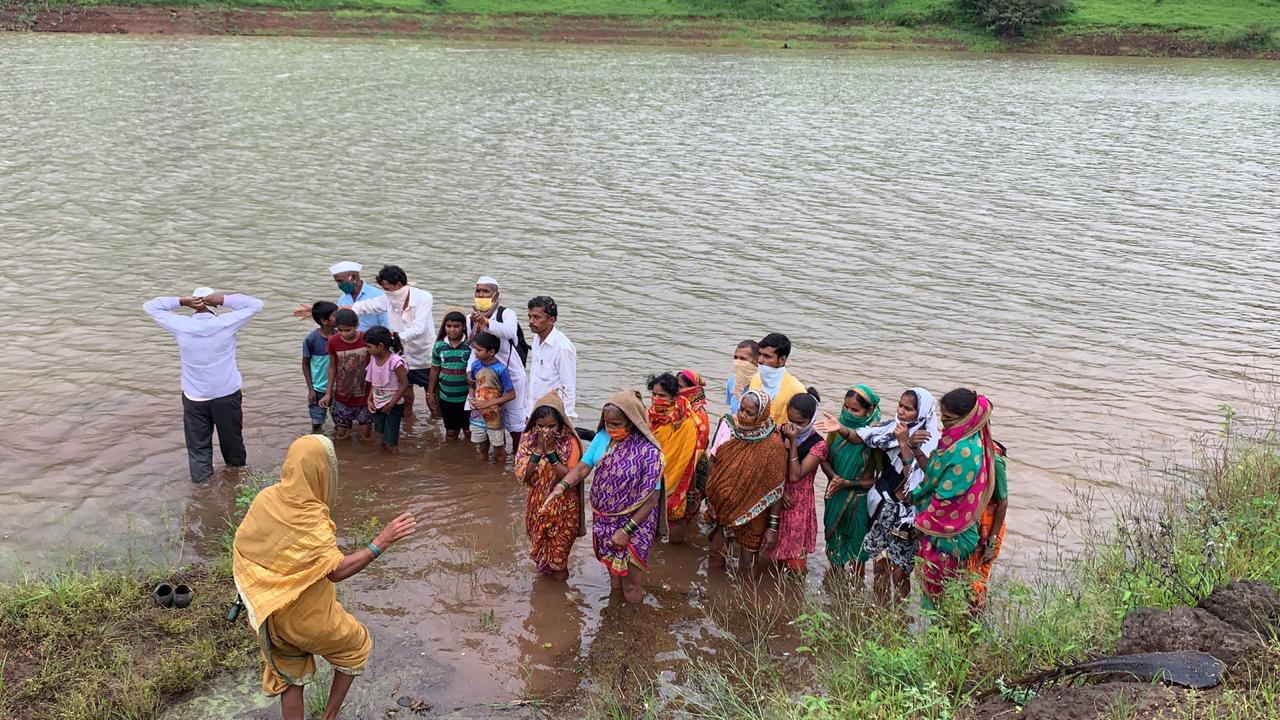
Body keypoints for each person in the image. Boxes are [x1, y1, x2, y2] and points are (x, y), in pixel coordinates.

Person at [232, 434, 416, 720]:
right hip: (307, 619)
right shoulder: (312, 516)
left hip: (268, 614)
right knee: (357, 646)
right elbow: (336, 571)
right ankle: (328, 717)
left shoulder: (265, 499)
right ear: (321, 472)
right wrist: (381, 541)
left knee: (291, 676)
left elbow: (243, 547)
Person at [817, 387, 940, 605]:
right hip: (882, 504)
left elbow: (920, 478)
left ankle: (900, 612)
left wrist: (906, 444)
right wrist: (841, 429)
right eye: (900, 405)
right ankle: (880, 607)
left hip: (905, 513)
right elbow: (864, 437)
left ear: (922, 413)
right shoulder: (890, 427)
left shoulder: (929, 439)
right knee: (879, 561)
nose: (901, 411)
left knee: (901, 567)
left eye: (908, 409)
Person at [541, 390, 665, 604]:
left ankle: (635, 625)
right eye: (607, 423)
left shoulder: (649, 452)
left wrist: (626, 531)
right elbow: (582, 468)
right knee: (614, 575)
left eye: (616, 424)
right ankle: (614, 613)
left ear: (633, 421)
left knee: (631, 582)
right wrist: (560, 487)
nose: (610, 428)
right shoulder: (602, 438)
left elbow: (653, 498)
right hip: (605, 519)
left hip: (636, 523)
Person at [143, 287, 264, 484]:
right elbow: (256, 304)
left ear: (193, 306)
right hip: (226, 394)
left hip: (194, 397)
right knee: (232, 443)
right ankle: (237, 483)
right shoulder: (226, 322)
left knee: (198, 448)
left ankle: (203, 489)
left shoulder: (180, 324)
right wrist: (224, 299)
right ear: (213, 305)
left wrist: (182, 301)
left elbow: (150, 306)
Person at [908, 388, 996, 610]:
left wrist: (919, 523)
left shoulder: (962, 451)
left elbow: (944, 498)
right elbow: (937, 477)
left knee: (942, 596)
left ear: (965, 418)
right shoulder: (964, 440)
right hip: (958, 530)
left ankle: (941, 638)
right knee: (954, 593)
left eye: (948, 419)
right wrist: (914, 448)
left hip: (949, 534)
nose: (943, 425)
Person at [703, 389, 788, 578]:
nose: (743, 415)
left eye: (749, 413)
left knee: (747, 564)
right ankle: (712, 593)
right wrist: (710, 498)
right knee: (715, 552)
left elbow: (776, 488)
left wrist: (772, 527)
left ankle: (745, 603)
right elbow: (713, 462)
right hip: (721, 506)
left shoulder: (773, 444)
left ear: (762, 414)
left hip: (753, 512)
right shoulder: (729, 425)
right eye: (741, 409)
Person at [514, 393, 584, 580]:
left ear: (560, 424)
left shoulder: (569, 442)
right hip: (537, 506)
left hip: (564, 508)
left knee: (559, 561)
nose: (546, 431)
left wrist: (551, 452)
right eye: (541, 426)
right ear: (534, 425)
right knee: (542, 556)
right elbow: (524, 478)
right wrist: (538, 451)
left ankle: (561, 597)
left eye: (551, 426)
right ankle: (546, 600)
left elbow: (570, 478)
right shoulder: (528, 440)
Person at [347, 266, 434, 415]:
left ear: (398, 285)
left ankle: (437, 428)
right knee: (406, 396)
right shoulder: (387, 298)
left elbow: (418, 328)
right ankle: (408, 427)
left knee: (432, 397)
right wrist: (329, 311)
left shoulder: (424, 297)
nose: (385, 292)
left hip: (424, 355)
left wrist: (395, 338)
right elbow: (362, 307)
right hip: (402, 357)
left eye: (387, 288)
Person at [821, 385, 882, 581]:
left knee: (857, 553)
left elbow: (878, 480)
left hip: (860, 500)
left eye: (854, 409)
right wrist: (835, 478)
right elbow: (824, 459)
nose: (848, 412)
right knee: (834, 545)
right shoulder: (835, 428)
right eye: (846, 407)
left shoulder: (876, 436)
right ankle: (834, 588)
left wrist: (847, 483)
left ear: (869, 411)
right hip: (835, 493)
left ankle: (855, 590)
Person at [467, 276, 528, 450]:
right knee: (485, 418)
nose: (481, 294)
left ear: (496, 294)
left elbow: (509, 331)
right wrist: (469, 372)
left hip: (511, 374)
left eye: (485, 291)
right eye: (478, 290)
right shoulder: (470, 317)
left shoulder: (506, 314)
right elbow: (473, 348)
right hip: (485, 376)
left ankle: (518, 458)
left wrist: (485, 322)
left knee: (516, 422)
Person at [770, 391, 827, 573]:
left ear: (811, 420)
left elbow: (796, 475)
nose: (793, 426)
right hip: (777, 497)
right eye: (790, 420)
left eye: (800, 423)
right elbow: (768, 466)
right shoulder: (779, 431)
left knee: (795, 560)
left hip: (798, 503)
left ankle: (795, 593)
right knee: (772, 550)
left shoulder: (819, 444)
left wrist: (793, 442)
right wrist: (780, 491)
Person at [647, 372, 707, 544]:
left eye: (662, 396)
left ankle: (675, 550)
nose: (657, 399)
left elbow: (689, 455)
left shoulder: (686, 422)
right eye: (654, 394)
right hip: (651, 473)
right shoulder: (650, 414)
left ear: (674, 396)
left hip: (675, 474)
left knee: (674, 513)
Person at [967, 440, 1009, 610]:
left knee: (976, 579)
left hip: (986, 526)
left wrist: (991, 539)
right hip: (969, 523)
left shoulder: (993, 460)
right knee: (965, 579)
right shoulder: (961, 450)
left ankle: (974, 622)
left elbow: (1002, 502)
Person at [321, 309, 372, 442]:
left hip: (365, 395)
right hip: (343, 395)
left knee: (366, 434)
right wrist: (327, 393)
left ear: (356, 325)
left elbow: (375, 366)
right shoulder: (333, 341)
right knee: (342, 433)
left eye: (348, 330)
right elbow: (332, 367)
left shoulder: (366, 339)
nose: (344, 334)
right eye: (340, 330)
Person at [524, 296, 577, 421]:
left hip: (552, 417)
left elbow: (568, 387)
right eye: (530, 316)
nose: (531, 321)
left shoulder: (563, 347)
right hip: (532, 411)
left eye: (537, 317)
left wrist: (567, 420)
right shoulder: (537, 339)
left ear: (551, 320)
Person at [468, 331, 517, 458]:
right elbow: (472, 384)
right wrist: (471, 398)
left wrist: (488, 403)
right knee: (482, 447)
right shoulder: (475, 365)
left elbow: (511, 395)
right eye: (475, 348)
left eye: (479, 350)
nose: (475, 352)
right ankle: (485, 476)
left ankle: (498, 475)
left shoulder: (501, 369)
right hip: (478, 414)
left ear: (491, 352)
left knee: (498, 449)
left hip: (494, 416)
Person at [364, 326, 409, 453]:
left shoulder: (395, 362)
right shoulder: (374, 358)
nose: (367, 349)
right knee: (380, 437)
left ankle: (394, 464)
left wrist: (391, 404)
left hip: (393, 406)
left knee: (391, 441)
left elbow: (405, 384)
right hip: (378, 403)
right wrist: (369, 399)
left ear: (380, 346)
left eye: (369, 346)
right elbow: (374, 380)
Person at [428, 310, 470, 440]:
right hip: (446, 397)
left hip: (467, 398)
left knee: (469, 432)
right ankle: (450, 458)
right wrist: (430, 392)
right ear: (444, 327)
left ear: (464, 326)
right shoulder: (439, 345)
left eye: (456, 326)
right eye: (449, 326)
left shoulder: (470, 345)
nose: (452, 330)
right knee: (451, 433)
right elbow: (435, 369)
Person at [676, 369, 712, 522]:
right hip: (681, 462)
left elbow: (697, 451)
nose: (676, 390)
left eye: (679, 386)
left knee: (687, 511)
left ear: (693, 389)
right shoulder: (682, 407)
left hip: (694, 467)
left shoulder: (699, 414)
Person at [748, 333, 807, 426]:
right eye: (760, 354)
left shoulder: (796, 389)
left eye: (766, 356)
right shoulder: (756, 378)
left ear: (782, 360)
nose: (760, 360)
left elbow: (801, 426)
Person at [302, 302, 338, 433]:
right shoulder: (311, 339)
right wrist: (310, 389)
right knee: (317, 423)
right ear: (324, 321)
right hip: (318, 388)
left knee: (340, 422)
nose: (339, 317)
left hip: (338, 388)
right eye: (335, 315)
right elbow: (305, 363)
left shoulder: (340, 335)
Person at [330, 262, 386, 332]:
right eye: (337, 282)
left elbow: (386, 325)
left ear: (353, 277)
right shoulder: (343, 299)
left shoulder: (377, 295)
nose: (339, 285)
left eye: (341, 281)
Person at [725, 340, 759, 415]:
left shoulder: (761, 383)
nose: (737, 362)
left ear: (756, 360)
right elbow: (732, 410)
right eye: (736, 358)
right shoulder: (732, 381)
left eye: (743, 359)